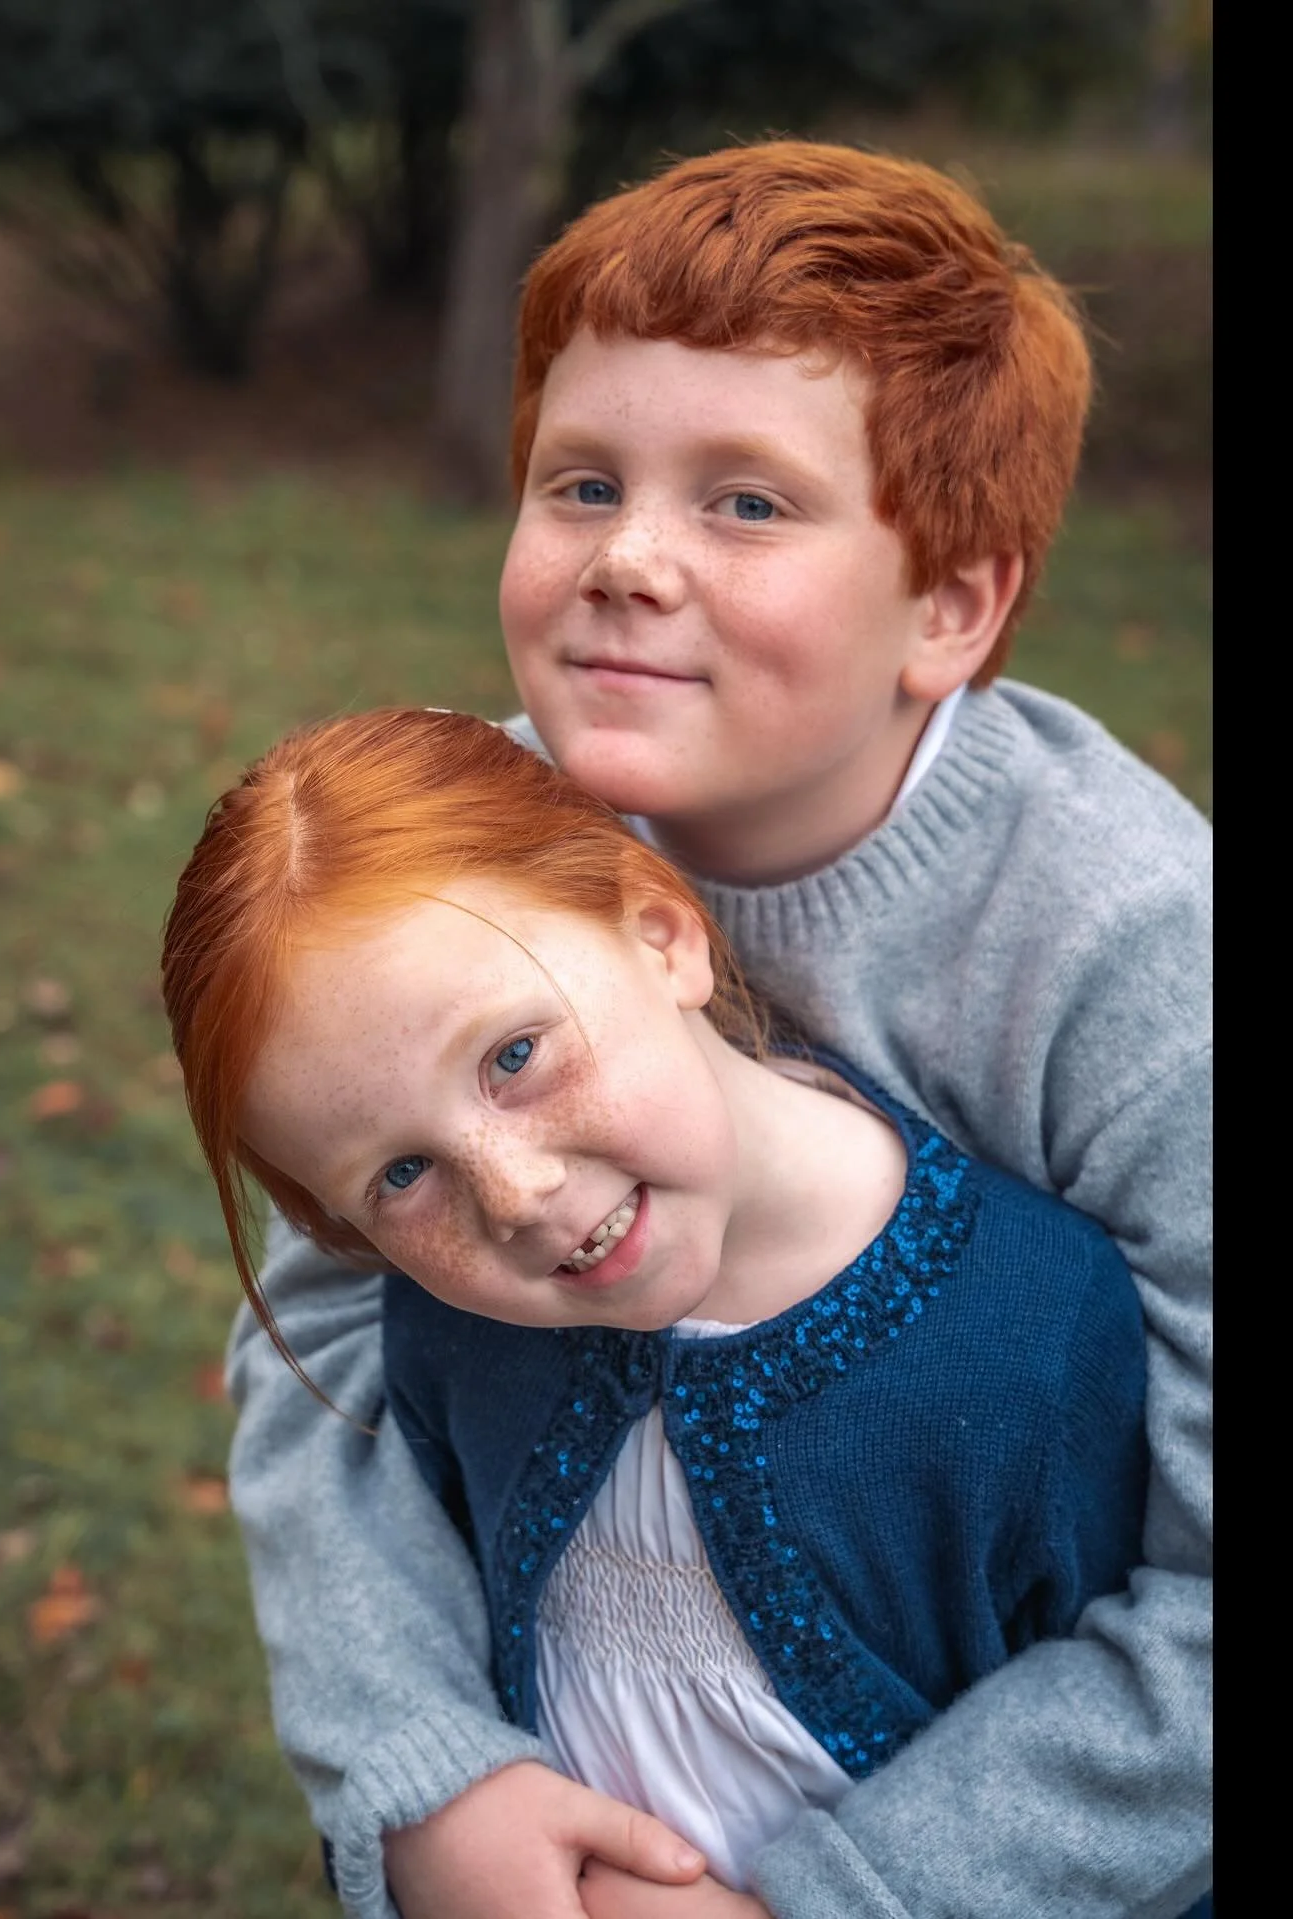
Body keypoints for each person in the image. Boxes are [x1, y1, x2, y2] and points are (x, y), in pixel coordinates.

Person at [218, 140, 1212, 1919]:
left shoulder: (1135, 954)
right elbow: (317, 1348)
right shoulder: (482, 848)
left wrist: (849, 1892)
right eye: (582, 481)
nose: (630, 561)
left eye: (746, 503)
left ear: (952, 609)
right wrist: (421, 1768)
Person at [162, 703, 1157, 1910]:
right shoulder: (440, 1329)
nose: (517, 1195)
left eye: (514, 1055)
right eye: (402, 1175)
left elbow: (1135, 1745)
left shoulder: (1034, 1334)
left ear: (663, 933)